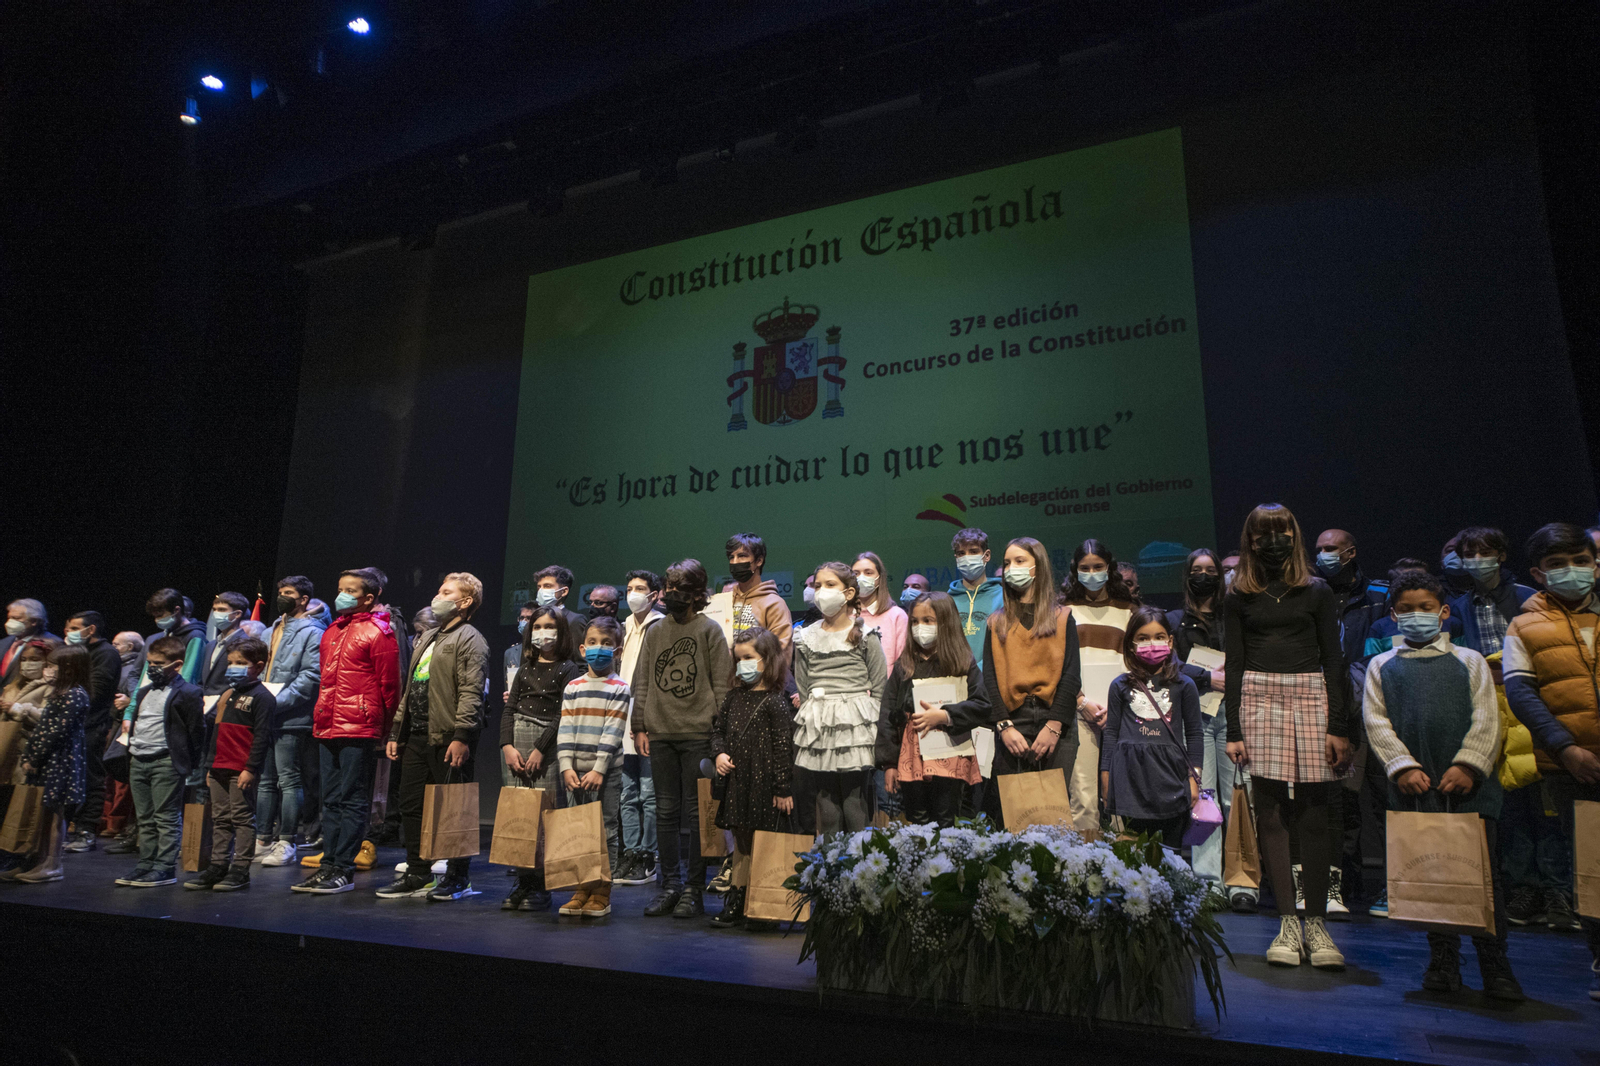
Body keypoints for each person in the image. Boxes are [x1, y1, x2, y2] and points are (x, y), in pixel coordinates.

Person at [1363, 571, 1522, 1000]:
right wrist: (1401, 766)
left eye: (1426, 608)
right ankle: (1443, 959)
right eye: (1408, 610)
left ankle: (1495, 963)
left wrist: (1469, 765)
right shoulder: (1382, 666)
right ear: (1394, 616)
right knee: (1431, 878)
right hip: (1416, 788)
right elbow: (1377, 722)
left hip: (1468, 790)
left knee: (1482, 877)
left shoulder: (1469, 661)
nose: (1417, 616)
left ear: (1444, 612)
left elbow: (1488, 718)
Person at [1224, 503, 1354, 971]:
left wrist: (1339, 726)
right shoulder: (1238, 595)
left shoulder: (1316, 591)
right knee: (1273, 811)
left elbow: (1334, 661)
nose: (1272, 541)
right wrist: (1234, 728)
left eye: (1281, 532)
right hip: (1259, 694)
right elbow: (1235, 665)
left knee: (1316, 812)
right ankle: (1286, 922)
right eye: (1262, 534)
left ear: (1293, 536)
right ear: (1251, 542)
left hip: (1311, 692)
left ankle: (1316, 923)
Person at [1503, 522, 1600, 996]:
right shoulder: (1524, 624)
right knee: (1592, 865)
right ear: (1538, 574)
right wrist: (1566, 748)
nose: (1572, 572)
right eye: (1558, 565)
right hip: (1572, 763)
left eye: (1580, 561)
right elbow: (1522, 693)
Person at [631, 559, 733, 918]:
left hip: (699, 734)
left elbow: (722, 685)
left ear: (695, 593)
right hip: (661, 734)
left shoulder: (710, 630)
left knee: (695, 812)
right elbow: (642, 679)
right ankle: (670, 885)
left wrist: (721, 736)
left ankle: (693, 888)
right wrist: (639, 724)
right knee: (665, 811)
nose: (671, 594)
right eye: (668, 586)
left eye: (679, 588)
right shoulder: (656, 631)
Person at [379, 573, 489, 902]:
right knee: (412, 805)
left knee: (455, 808)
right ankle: (418, 872)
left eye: (446, 592)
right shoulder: (428, 636)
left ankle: (458, 877)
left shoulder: (471, 638)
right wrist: (397, 730)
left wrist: (462, 736)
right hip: (416, 734)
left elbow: (472, 692)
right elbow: (411, 688)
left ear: (465, 601)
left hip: (448, 735)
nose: (437, 596)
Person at [295, 569, 399, 895]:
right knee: (332, 798)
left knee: (352, 798)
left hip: (360, 725)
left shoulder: (379, 632)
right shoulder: (332, 631)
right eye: (340, 588)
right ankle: (329, 864)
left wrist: (386, 729)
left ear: (369, 597)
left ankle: (343, 868)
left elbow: (389, 687)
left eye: (350, 590)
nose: (342, 594)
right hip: (328, 724)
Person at [1168, 550, 1254, 911]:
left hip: (1236, 717)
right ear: (1187, 575)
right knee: (1203, 801)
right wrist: (1206, 677)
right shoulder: (1174, 620)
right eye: (1196, 570)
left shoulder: (1234, 617)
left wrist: (1229, 679)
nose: (1203, 576)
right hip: (1196, 717)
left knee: (1238, 799)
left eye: (1210, 570)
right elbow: (1167, 664)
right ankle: (1208, 882)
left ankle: (1242, 881)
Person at [1310, 529, 1388, 919]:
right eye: (1319, 549)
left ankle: (1396, 884)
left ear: (1351, 552)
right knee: (1342, 801)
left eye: (1330, 549)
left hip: (1376, 706)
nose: (1322, 555)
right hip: (1327, 708)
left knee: (1385, 797)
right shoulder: (1310, 592)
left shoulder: (1378, 596)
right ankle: (1345, 878)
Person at [981, 537, 1081, 826]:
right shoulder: (996, 622)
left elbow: (1071, 676)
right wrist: (1003, 725)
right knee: (1011, 817)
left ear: (1038, 567)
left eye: (1020, 561)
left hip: (1055, 724)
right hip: (1012, 723)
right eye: (1008, 563)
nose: (1012, 568)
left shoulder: (1062, 618)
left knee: (1053, 815)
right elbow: (990, 678)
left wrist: (1054, 726)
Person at [499, 604, 586, 911]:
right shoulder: (524, 669)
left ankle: (541, 885)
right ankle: (523, 881)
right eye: (536, 627)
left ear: (561, 632)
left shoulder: (569, 669)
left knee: (543, 817)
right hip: (517, 741)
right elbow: (510, 709)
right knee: (518, 816)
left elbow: (563, 714)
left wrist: (539, 748)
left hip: (545, 745)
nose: (541, 632)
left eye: (549, 626)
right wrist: (507, 745)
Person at [877, 591, 988, 827]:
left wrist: (945, 715)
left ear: (945, 623)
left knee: (947, 818)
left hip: (949, 753)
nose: (920, 628)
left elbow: (982, 705)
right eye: (915, 622)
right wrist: (888, 764)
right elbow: (888, 713)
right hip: (911, 757)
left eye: (928, 621)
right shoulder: (905, 664)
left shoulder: (961, 662)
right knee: (917, 821)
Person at [709, 628, 795, 927]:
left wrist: (782, 788)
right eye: (739, 659)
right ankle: (738, 899)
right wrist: (719, 753)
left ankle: (763, 903)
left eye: (749, 658)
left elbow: (784, 748)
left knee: (763, 844)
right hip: (738, 784)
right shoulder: (734, 697)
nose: (743, 664)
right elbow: (718, 731)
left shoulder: (775, 701)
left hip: (763, 785)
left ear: (768, 660)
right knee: (742, 845)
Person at [793, 562, 887, 837]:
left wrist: (875, 731)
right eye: (817, 585)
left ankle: (860, 869)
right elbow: (804, 685)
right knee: (827, 803)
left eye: (829, 585)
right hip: (821, 724)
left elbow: (879, 686)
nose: (821, 591)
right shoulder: (805, 637)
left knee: (854, 803)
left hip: (854, 727)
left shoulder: (866, 636)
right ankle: (832, 869)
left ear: (848, 593)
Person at [1101, 607, 1203, 842]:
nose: (1152, 643)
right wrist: (1106, 777)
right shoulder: (1119, 686)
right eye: (1143, 638)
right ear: (1131, 644)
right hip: (1130, 782)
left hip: (1172, 779)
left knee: (1171, 853)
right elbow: (1111, 735)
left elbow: (1195, 735)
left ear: (1170, 641)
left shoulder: (1185, 685)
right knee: (1134, 854)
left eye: (1159, 637)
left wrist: (1194, 778)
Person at [553, 615, 631, 919]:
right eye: (594, 643)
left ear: (618, 650)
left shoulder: (619, 687)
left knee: (606, 830)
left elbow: (612, 731)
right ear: (583, 649)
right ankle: (582, 887)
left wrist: (599, 768)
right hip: (574, 771)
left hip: (605, 772)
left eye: (607, 644)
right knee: (579, 830)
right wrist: (566, 766)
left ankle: (602, 890)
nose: (600, 649)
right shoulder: (573, 687)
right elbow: (566, 727)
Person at [114, 634, 204, 888]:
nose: (152, 668)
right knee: (145, 816)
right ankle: (146, 864)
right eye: (149, 663)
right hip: (139, 759)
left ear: (176, 665)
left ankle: (164, 867)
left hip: (166, 761)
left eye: (157, 663)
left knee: (165, 816)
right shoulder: (143, 692)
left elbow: (196, 731)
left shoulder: (188, 692)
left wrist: (189, 763)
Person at [186, 638, 276, 892]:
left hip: (240, 769)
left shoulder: (262, 698)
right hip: (218, 768)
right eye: (231, 663)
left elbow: (262, 737)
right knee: (220, 818)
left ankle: (240, 869)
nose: (233, 667)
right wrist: (208, 767)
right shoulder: (227, 694)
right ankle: (217, 865)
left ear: (258, 666)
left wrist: (251, 768)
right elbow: (215, 735)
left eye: (241, 663)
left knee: (241, 817)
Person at [1062, 539, 1137, 834]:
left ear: (1110, 568)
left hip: (1122, 712)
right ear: (1075, 570)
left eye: (1098, 567)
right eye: (1084, 568)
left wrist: (1117, 708)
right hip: (1078, 710)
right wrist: (1082, 702)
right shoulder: (1063, 611)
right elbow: (1060, 665)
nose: (1091, 573)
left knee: (1122, 795)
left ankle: (1128, 871)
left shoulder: (1129, 611)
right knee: (1083, 797)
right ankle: (1085, 869)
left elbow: (1135, 663)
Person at [254, 576, 324, 867]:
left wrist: (274, 704)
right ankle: (262, 840)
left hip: (293, 717)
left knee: (288, 779)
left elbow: (310, 676)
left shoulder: (313, 631)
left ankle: (287, 841)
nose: (282, 596)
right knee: (265, 782)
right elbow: (257, 666)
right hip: (266, 716)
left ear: (304, 599)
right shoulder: (271, 630)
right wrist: (258, 703)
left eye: (289, 593)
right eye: (280, 592)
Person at [12, 645, 91, 883]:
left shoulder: (75, 695)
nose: (49, 670)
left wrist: (34, 757)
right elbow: (43, 728)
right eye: (48, 665)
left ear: (70, 669)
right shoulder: (59, 693)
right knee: (45, 812)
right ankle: (37, 860)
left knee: (56, 813)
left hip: (61, 760)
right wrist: (29, 755)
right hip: (49, 759)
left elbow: (55, 732)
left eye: (53, 666)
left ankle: (52, 864)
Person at [616, 569, 664, 886]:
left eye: (640, 588)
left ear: (654, 594)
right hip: (622, 717)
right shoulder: (623, 628)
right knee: (626, 793)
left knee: (649, 793)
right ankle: (630, 852)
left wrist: (644, 720)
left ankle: (649, 856)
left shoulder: (659, 626)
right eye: (630, 587)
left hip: (647, 719)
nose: (633, 593)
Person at [61, 611, 121, 852]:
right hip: (72, 725)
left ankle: (87, 831)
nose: (69, 633)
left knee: (92, 778)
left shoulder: (106, 654)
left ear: (91, 629)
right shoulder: (79, 652)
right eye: (67, 628)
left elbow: (95, 693)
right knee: (70, 779)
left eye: (74, 627)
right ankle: (68, 828)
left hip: (92, 726)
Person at [726, 533, 793, 653]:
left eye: (742, 556)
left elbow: (781, 652)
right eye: (731, 557)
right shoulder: (725, 600)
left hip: (761, 671)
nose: (735, 562)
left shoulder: (774, 604)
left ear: (759, 561)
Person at [948, 528, 1004, 666]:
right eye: (961, 553)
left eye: (973, 551)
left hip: (993, 677)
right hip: (955, 677)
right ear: (956, 558)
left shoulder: (1004, 597)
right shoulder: (947, 600)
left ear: (987, 555)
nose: (967, 558)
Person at [853, 552, 908, 665]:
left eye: (868, 573)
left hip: (888, 681)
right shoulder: (843, 616)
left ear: (879, 578)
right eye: (856, 573)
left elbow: (902, 662)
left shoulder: (896, 615)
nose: (861, 578)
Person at [143, 589, 206, 685]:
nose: (157, 620)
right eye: (155, 616)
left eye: (160, 615)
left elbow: (188, 674)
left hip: (177, 695)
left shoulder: (195, 635)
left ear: (177, 610)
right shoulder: (165, 634)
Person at [200, 592, 251, 694]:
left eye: (222, 610)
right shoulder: (210, 645)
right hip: (205, 703)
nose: (216, 613)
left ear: (237, 614)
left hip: (226, 703)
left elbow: (242, 682)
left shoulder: (246, 644)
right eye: (214, 609)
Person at [533, 565, 590, 654]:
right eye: (539, 587)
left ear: (564, 591)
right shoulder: (533, 620)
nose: (541, 591)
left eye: (547, 586)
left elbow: (580, 663)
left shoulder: (574, 621)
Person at [1, 599, 56, 685]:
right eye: (9, 618)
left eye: (16, 618)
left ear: (34, 621)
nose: (9, 622)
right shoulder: (4, 642)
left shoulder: (52, 644)